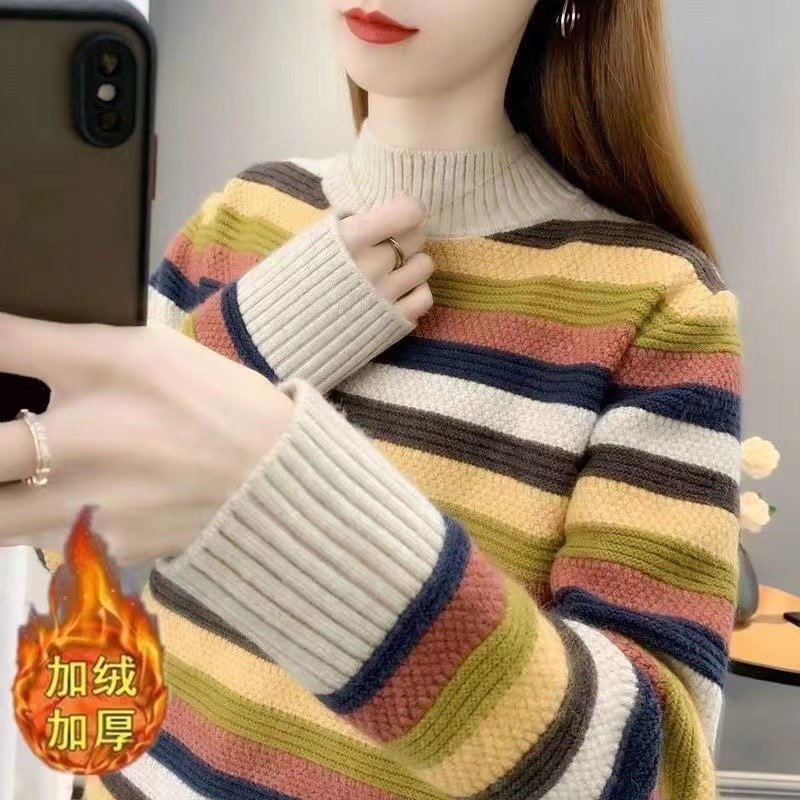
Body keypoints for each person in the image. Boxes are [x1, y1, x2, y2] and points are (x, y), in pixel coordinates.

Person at [1, 0, 742, 798]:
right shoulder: (242, 213)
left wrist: (275, 492)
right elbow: (58, 538)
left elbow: (657, 777)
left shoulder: (657, 303)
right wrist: (252, 340)